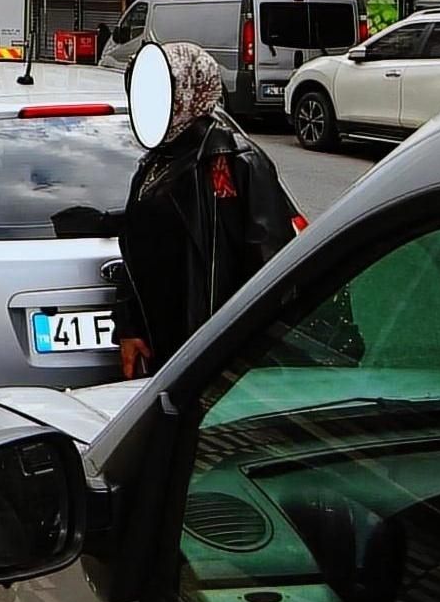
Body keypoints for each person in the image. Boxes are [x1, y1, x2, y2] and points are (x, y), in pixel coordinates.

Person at [112, 42, 299, 379]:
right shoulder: (155, 162)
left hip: (214, 350)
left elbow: (270, 262)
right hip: (162, 347)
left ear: (190, 90)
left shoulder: (234, 161)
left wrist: (239, 350)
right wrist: (129, 326)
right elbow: (136, 249)